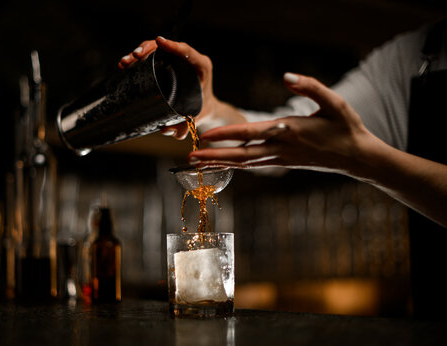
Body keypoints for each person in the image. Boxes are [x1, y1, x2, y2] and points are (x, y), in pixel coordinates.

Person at [120, 20, 447, 319]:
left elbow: (344, 148)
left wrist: (365, 162)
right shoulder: (416, 53)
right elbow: (290, 129)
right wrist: (207, 108)